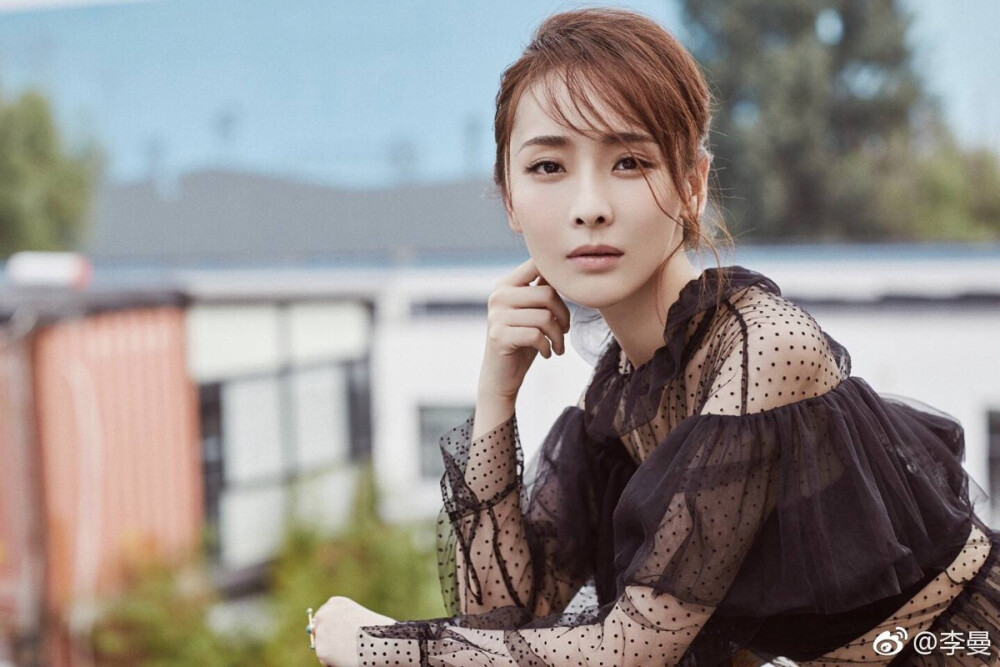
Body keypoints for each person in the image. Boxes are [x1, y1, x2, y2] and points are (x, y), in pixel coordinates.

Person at [309, 7, 1000, 666]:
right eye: (548, 166)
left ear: (693, 184)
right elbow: (501, 619)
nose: (589, 208)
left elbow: (636, 649)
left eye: (630, 162)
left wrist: (380, 645)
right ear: (510, 197)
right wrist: (496, 394)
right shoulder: (625, 390)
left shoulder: (762, 349)